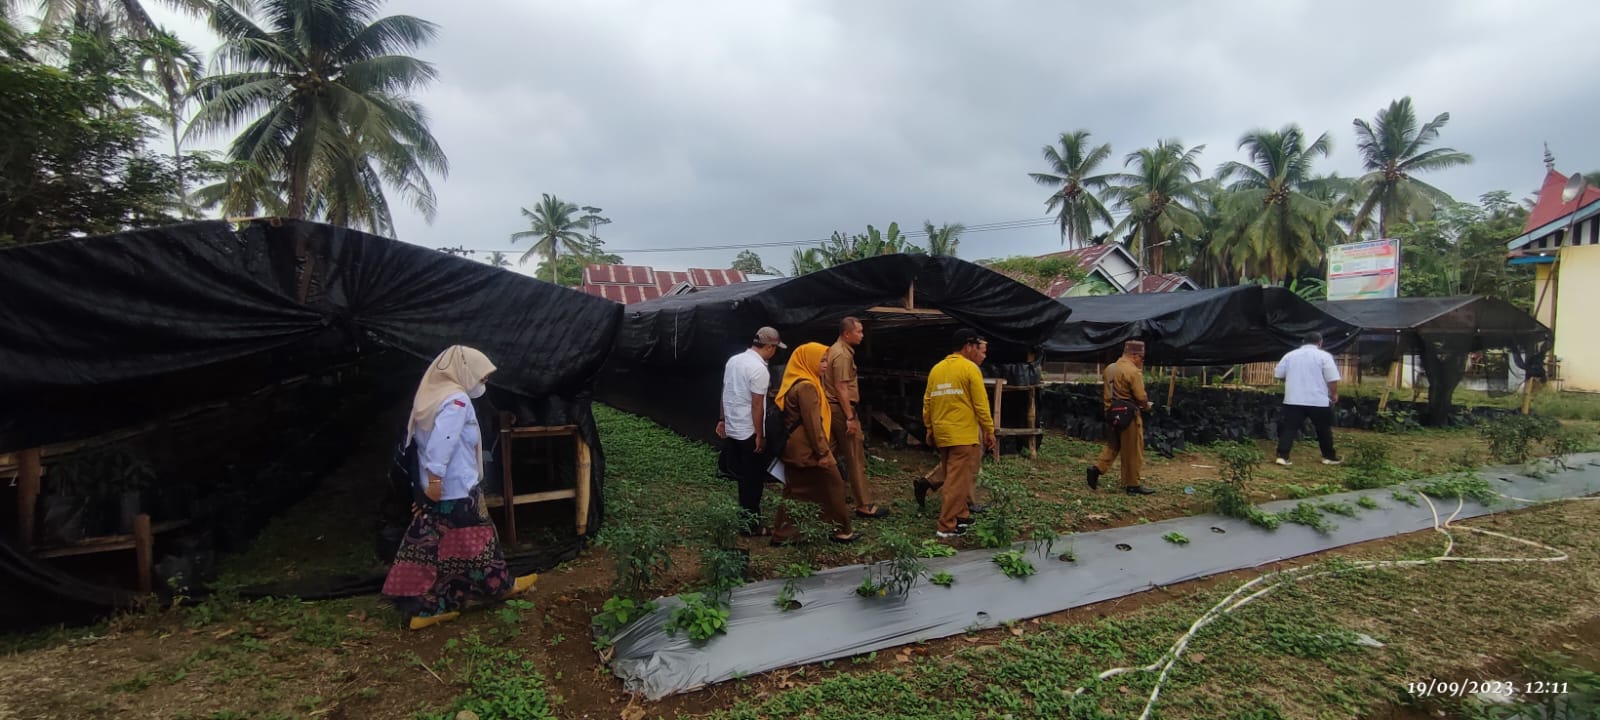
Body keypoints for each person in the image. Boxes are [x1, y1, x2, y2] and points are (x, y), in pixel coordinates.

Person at [382, 345, 538, 630]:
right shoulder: (456, 400)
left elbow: (416, 444)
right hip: (455, 488)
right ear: (464, 372)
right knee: (478, 541)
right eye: (481, 377)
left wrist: (425, 487)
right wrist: (438, 480)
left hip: (437, 487)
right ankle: (499, 587)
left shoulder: (430, 395)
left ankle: (422, 605)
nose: (483, 383)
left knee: (431, 544)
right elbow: (445, 441)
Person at [771, 342, 858, 544]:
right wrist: (823, 453)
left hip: (795, 448)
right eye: (822, 360)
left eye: (826, 360)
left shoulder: (798, 381)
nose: (825, 364)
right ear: (808, 361)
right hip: (808, 450)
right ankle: (842, 530)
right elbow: (813, 424)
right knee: (834, 485)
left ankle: (784, 533)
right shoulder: (807, 387)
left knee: (797, 491)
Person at [914, 329, 997, 538]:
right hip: (963, 435)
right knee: (956, 482)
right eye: (976, 347)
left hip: (943, 434)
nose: (978, 351)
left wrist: (930, 428)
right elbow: (981, 404)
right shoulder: (970, 369)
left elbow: (927, 402)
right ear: (967, 346)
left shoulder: (937, 369)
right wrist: (989, 430)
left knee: (954, 475)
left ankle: (961, 515)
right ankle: (946, 525)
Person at [716, 326, 784, 535]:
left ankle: (745, 519)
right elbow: (757, 405)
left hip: (734, 428)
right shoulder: (759, 369)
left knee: (743, 478)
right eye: (775, 348)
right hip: (749, 432)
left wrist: (722, 420)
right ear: (770, 347)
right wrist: (760, 435)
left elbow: (725, 390)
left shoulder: (734, 361)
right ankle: (751, 526)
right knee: (753, 481)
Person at [824, 316, 887, 519]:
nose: (862, 335)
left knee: (827, 454)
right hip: (842, 410)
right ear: (846, 333)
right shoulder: (842, 354)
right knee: (855, 457)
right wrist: (850, 417)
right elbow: (842, 387)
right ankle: (863, 504)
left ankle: (819, 498)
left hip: (833, 409)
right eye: (858, 331)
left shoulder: (834, 350)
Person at [1087, 340, 1157, 495]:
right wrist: (1147, 406)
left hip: (1111, 413)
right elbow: (1140, 396)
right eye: (1141, 358)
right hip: (1128, 417)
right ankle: (1132, 484)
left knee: (1113, 445)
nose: (1141, 361)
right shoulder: (1132, 372)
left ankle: (1097, 469)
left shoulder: (1110, 369)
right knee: (1133, 450)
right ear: (1135, 356)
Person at [1273, 332, 1342, 466]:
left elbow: (1279, 374)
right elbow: (1332, 379)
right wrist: (1334, 394)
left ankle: (1282, 456)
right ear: (1320, 343)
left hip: (1293, 399)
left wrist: (1291, 382)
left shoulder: (1290, 355)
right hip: (1318, 400)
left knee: (1290, 428)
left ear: (1303, 342)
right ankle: (1328, 457)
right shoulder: (1324, 356)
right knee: (1323, 429)